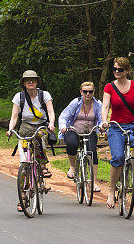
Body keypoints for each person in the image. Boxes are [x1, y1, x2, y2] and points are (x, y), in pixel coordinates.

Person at [7, 70, 56, 212]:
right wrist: (11, 129)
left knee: (39, 137)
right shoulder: (19, 97)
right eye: (27, 80)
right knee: (23, 164)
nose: (30, 82)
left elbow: (51, 112)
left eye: (33, 79)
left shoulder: (44, 95)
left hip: (40, 126)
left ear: (37, 82)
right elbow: (14, 116)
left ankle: (42, 166)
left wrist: (51, 123)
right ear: (23, 83)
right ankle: (22, 197)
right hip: (25, 128)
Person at [101, 57, 134, 208]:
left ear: (127, 71)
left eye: (120, 69)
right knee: (118, 157)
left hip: (132, 124)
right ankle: (112, 190)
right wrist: (104, 120)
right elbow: (105, 106)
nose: (117, 72)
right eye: (115, 69)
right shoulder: (109, 87)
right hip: (115, 126)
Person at [58, 81, 102, 187]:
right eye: (85, 91)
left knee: (92, 152)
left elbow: (101, 118)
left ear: (94, 92)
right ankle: (72, 167)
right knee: (72, 144)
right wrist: (63, 126)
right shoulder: (75, 102)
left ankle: (94, 182)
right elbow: (64, 116)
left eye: (90, 92)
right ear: (81, 92)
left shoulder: (98, 104)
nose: (88, 94)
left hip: (90, 131)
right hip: (74, 130)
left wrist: (101, 127)